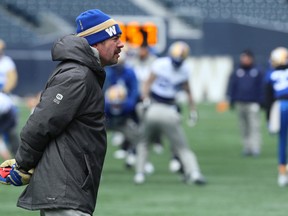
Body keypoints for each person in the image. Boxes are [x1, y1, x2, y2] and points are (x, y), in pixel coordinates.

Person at [0, 9, 124, 216]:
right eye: (115, 38)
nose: (121, 44)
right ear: (95, 42)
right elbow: (41, 123)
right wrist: (23, 164)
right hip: (64, 192)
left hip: (67, 190)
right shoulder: (77, 75)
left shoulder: (83, 72)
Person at [134, 41, 205, 185]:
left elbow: (147, 84)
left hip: (153, 109)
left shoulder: (160, 64)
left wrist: (145, 99)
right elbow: (188, 91)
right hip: (169, 111)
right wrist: (192, 110)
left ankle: (140, 173)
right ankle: (194, 172)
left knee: (144, 143)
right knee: (181, 147)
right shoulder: (182, 68)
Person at [104, 50, 140, 167]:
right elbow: (104, 89)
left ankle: (134, 155)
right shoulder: (109, 72)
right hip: (108, 108)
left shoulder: (129, 72)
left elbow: (134, 91)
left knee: (138, 131)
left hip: (126, 107)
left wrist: (128, 104)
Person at [227, 50, 264, 156]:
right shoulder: (238, 71)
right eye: (243, 57)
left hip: (253, 103)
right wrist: (231, 99)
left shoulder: (257, 71)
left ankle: (255, 147)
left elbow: (261, 88)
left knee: (254, 126)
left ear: (251, 58)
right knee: (243, 127)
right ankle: (247, 147)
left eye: (246, 57)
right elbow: (233, 86)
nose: (244, 60)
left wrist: (261, 101)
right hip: (240, 102)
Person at [264, 47, 288, 187]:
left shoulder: (270, 75)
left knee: (282, 141)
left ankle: (282, 173)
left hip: (281, 106)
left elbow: (268, 100)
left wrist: (268, 119)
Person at [0, 39, 19, 156]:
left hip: (3, 95)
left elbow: (12, 78)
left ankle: (16, 155)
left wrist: (4, 90)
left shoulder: (7, 62)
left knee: (11, 132)